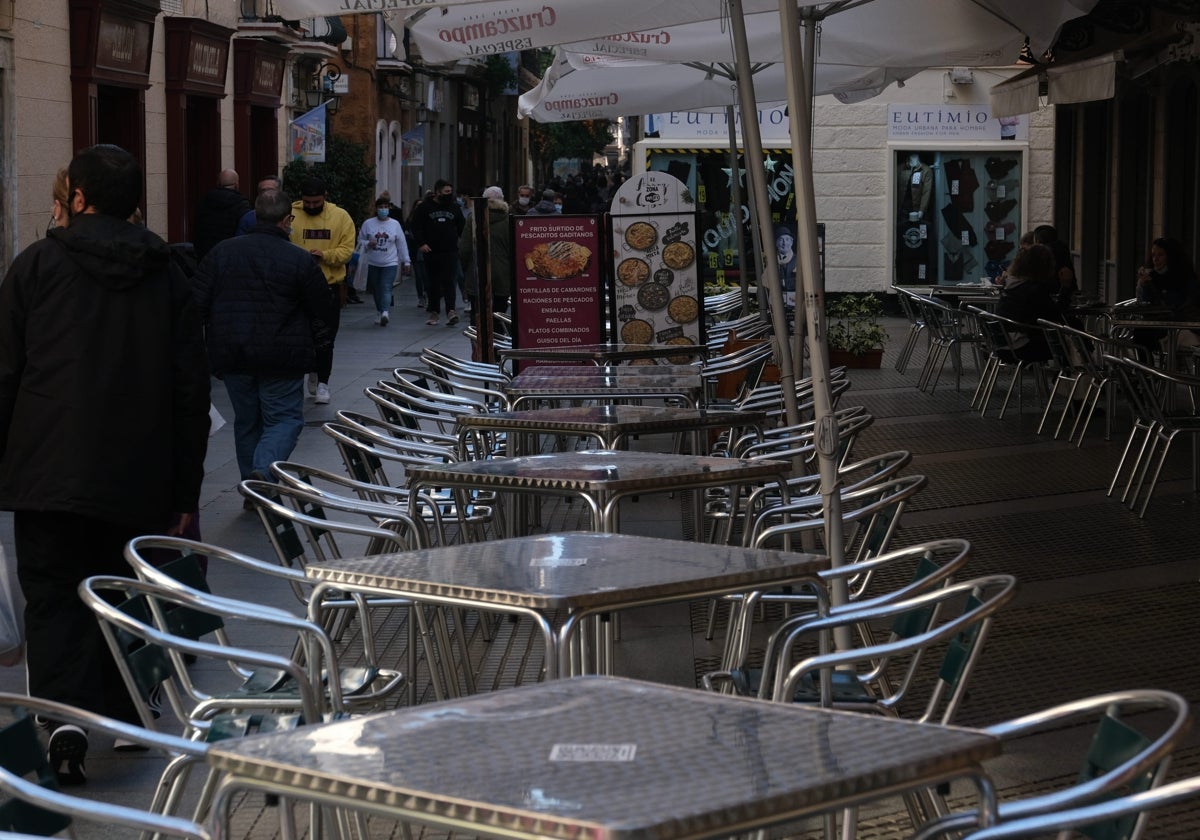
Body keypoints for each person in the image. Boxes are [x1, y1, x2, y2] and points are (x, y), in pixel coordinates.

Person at [0, 144, 210, 784]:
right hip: (139, 473)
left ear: (79, 198)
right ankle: (126, 711)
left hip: (47, 475)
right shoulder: (170, 275)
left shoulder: (34, 267)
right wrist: (185, 487)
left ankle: (63, 719)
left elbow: (5, 375)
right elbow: (189, 390)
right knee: (123, 592)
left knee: (54, 596)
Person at [192, 189, 333, 491]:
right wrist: (320, 348)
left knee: (247, 422)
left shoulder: (222, 253)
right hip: (282, 354)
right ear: (288, 220)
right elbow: (322, 308)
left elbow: (196, 304)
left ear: (255, 215)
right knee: (284, 419)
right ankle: (263, 473)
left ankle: (253, 486)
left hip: (233, 352)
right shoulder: (298, 259)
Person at [289, 177, 355, 405]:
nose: (311, 206)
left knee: (326, 338)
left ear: (325, 197)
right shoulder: (291, 215)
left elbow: (347, 251)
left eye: (316, 202)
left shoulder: (341, 217)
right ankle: (308, 372)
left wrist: (325, 256)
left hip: (328, 286)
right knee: (298, 335)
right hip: (296, 287)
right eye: (307, 202)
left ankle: (323, 381)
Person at [409, 178, 465, 327]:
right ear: (437, 192)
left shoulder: (454, 207)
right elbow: (415, 226)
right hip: (431, 251)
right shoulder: (425, 207)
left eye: (450, 192)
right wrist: (421, 244)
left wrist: (462, 244)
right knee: (432, 282)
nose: (449, 194)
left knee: (449, 281)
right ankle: (434, 312)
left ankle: (451, 311)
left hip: (450, 250)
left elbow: (462, 227)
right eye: (446, 192)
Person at [995, 243, 1061, 361]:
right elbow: (1055, 314)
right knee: (1068, 341)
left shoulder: (1011, 286)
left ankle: (1069, 375)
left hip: (1001, 344)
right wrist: (1065, 287)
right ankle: (1078, 373)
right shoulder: (1033, 290)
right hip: (1021, 347)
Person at [1135, 237, 1200, 355]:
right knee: (1140, 332)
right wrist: (1144, 285)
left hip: (1181, 324)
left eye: (1161, 255)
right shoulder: (1152, 277)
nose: (1156, 259)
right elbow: (1145, 306)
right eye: (1153, 255)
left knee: (1145, 334)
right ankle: (1146, 370)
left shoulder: (1185, 278)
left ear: (1170, 257)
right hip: (1159, 323)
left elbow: (1179, 305)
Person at [460, 185, 512, 327]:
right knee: (499, 315)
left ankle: (478, 345)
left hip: (477, 273)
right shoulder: (509, 220)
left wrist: (465, 269)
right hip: (503, 276)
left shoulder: (473, 218)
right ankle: (495, 344)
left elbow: (464, 248)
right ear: (502, 200)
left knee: (477, 314)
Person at [358, 192, 411, 327]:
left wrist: (406, 260)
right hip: (372, 262)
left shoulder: (395, 224)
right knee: (376, 289)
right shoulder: (368, 224)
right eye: (380, 207)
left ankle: (385, 312)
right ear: (376, 209)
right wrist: (368, 243)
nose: (383, 209)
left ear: (389, 208)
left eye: (385, 207)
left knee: (386, 287)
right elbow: (360, 240)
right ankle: (379, 311)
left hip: (390, 262)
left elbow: (401, 243)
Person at [192, 168, 250, 260]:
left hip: (206, 254)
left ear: (218, 183)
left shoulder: (205, 202)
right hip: (232, 255)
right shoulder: (241, 204)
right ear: (236, 184)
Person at [1032, 224, 1078, 310]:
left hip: (1045, 312)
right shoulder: (1063, 252)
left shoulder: (1039, 257)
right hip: (1066, 300)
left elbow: (1054, 311)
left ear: (1037, 241)